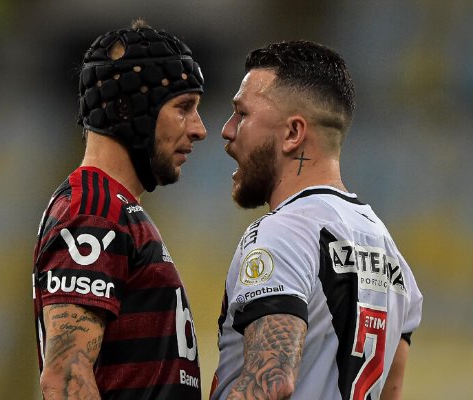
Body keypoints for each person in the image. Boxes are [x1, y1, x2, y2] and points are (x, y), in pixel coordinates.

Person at [210, 40, 423, 400]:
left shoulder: (283, 232)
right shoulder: (393, 258)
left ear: (293, 133)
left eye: (242, 114)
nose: (227, 130)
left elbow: (272, 381)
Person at [32, 19, 207, 399]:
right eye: (184, 108)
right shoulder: (93, 211)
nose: (199, 128)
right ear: (130, 109)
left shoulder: (115, 208)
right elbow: (64, 377)